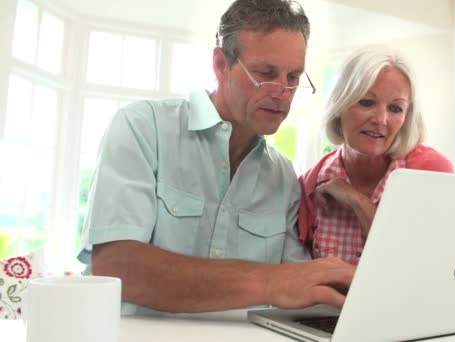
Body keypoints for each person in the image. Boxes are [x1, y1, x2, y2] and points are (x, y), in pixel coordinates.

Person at [77, 0, 354, 315]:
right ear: (221, 65)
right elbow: (117, 267)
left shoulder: (283, 178)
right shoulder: (143, 128)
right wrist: (270, 283)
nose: (282, 92)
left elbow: (299, 287)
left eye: (293, 77)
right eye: (266, 73)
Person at [298, 45, 455, 265]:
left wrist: (356, 200)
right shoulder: (310, 184)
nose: (381, 120)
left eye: (395, 108)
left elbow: (421, 265)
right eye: (366, 102)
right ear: (340, 104)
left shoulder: (431, 172)